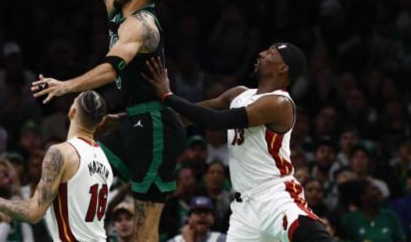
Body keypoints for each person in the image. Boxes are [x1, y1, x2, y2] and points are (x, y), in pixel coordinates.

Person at [32, 0, 186, 242]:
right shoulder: (115, 0)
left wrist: (68, 84)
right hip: (129, 120)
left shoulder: (142, 27)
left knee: (144, 224)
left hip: (154, 128)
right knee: (84, 170)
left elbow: (110, 67)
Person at [142, 43, 334, 241]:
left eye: (270, 53)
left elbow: (214, 121)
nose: (261, 53)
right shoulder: (238, 94)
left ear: (283, 68)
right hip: (244, 210)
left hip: (275, 195)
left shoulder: (279, 103)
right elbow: (187, 116)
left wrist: (168, 96)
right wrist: (129, 121)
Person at [0, 91, 114, 241]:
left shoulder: (60, 152)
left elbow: (32, 213)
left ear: (72, 112)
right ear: (101, 121)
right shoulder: (104, 160)